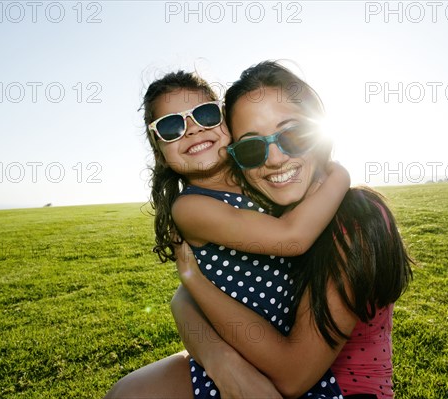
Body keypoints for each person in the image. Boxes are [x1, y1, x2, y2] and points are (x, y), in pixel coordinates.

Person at [104, 69, 351, 399]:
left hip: (287, 348)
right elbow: (291, 237)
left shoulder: (257, 177)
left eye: (205, 115)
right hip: (249, 355)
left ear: (227, 124)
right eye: (171, 126)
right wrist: (341, 175)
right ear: (159, 150)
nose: (192, 129)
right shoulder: (191, 208)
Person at [173, 61, 413, 399]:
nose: (273, 158)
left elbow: (293, 376)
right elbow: (185, 299)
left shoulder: (356, 219)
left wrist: (194, 283)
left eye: (293, 134)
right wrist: (219, 358)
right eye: (252, 147)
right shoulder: (270, 214)